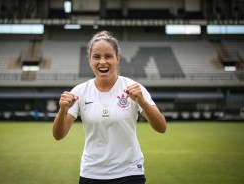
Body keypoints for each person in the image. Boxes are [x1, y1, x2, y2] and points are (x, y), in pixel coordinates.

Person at [53, 31, 166, 184]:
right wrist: (62, 110)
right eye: (97, 57)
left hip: (130, 172)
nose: (102, 62)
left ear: (117, 58)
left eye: (108, 56)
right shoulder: (79, 92)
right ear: (90, 60)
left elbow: (161, 127)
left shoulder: (134, 88)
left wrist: (142, 102)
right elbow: (58, 135)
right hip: (92, 173)